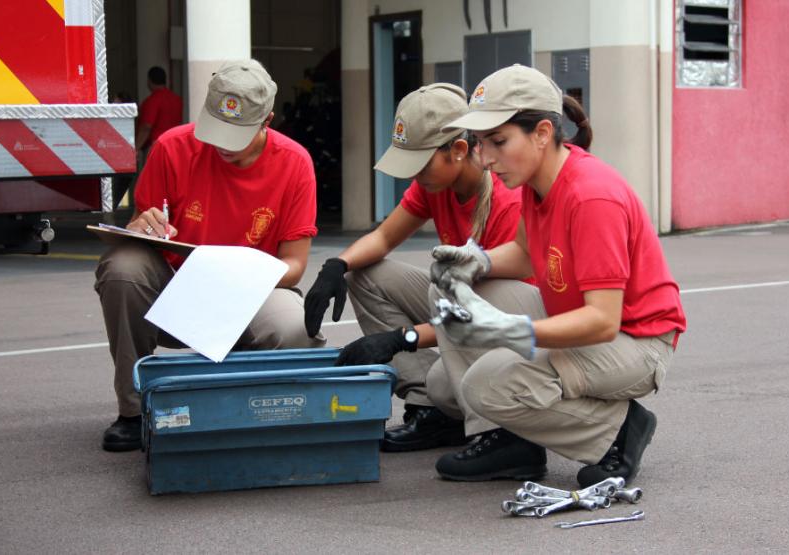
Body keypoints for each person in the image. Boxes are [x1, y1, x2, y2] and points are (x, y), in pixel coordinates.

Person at [427, 64, 686, 485]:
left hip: (637, 342)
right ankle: (508, 442)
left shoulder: (591, 196)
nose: (486, 159)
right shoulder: (535, 182)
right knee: (447, 288)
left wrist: (510, 329)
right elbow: (527, 256)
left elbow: (603, 321)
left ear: (543, 133)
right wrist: (478, 262)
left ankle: (617, 432)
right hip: (593, 326)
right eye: (479, 143)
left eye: (498, 141)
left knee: (485, 386)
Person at [95, 59, 325, 452]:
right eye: (215, 130)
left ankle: (264, 410)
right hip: (177, 286)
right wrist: (141, 226)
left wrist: (240, 272)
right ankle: (133, 411)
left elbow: (294, 266)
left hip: (248, 291)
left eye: (236, 136)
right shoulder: (171, 147)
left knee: (294, 326)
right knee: (122, 268)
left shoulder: (295, 162)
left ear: (267, 120)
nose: (221, 145)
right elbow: (138, 224)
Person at [303, 83, 529, 452]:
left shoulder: (506, 201)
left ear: (458, 150)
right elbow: (384, 238)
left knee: (448, 380)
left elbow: (488, 311)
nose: (413, 175)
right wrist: (336, 264)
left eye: (420, 163)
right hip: (465, 306)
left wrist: (400, 338)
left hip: (510, 328)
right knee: (368, 273)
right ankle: (432, 412)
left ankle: (497, 432)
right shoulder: (434, 184)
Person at [136, 66, 183, 153]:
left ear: (149, 81)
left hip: (158, 145)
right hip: (176, 145)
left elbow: (146, 127)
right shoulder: (177, 99)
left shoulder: (152, 101)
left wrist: (136, 148)